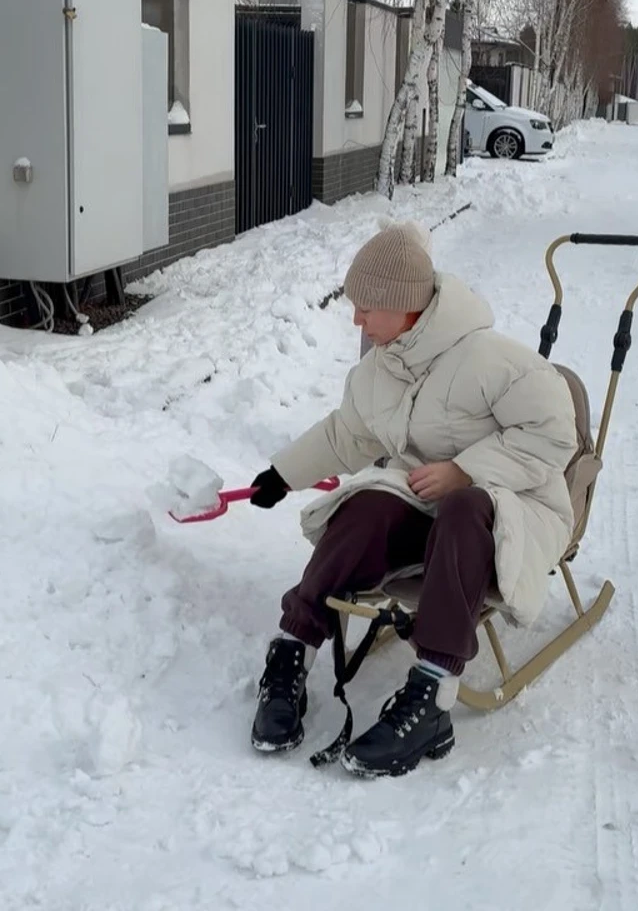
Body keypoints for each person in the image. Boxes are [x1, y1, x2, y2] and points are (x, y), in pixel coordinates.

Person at [248, 221, 578, 777]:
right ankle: (292, 648)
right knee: (365, 504)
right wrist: (282, 474)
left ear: (406, 306)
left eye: (367, 308)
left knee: (463, 506)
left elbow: (553, 436)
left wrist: (464, 471)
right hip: (429, 507)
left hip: (512, 510)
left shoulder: (494, 360)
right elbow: (346, 434)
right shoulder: (380, 370)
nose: (357, 321)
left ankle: (432, 695)